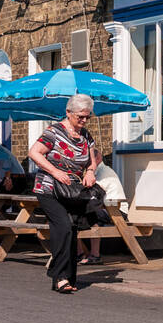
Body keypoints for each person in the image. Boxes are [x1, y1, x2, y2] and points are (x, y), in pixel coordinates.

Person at [28, 95, 102, 294]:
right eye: (80, 117)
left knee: (72, 230)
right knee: (64, 227)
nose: (84, 121)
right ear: (68, 113)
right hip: (49, 188)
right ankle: (60, 276)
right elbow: (34, 152)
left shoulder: (86, 136)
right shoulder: (53, 132)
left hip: (72, 191)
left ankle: (65, 276)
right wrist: (55, 171)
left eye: (88, 117)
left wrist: (90, 171)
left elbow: (94, 157)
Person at [79, 162, 127, 265]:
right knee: (78, 216)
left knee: (84, 215)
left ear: (96, 159)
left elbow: (93, 193)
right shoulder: (97, 171)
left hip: (117, 212)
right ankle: (86, 254)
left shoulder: (103, 173)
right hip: (107, 208)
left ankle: (88, 254)